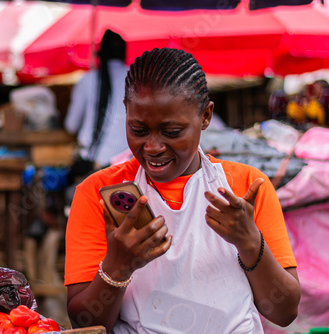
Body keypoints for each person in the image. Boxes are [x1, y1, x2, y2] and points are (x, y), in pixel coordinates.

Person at [65, 48, 300, 333]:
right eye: (139, 130)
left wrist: (250, 242)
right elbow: (85, 322)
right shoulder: (101, 192)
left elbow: (284, 311)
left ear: (206, 116)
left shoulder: (246, 188)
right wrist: (118, 266)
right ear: (126, 110)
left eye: (172, 132)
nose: (153, 147)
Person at [65, 29, 129, 182]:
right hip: (129, 163)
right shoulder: (138, 78)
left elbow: (71, 125)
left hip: (94, 164)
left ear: (101, 54)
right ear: (123, 53)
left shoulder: (87, 80)